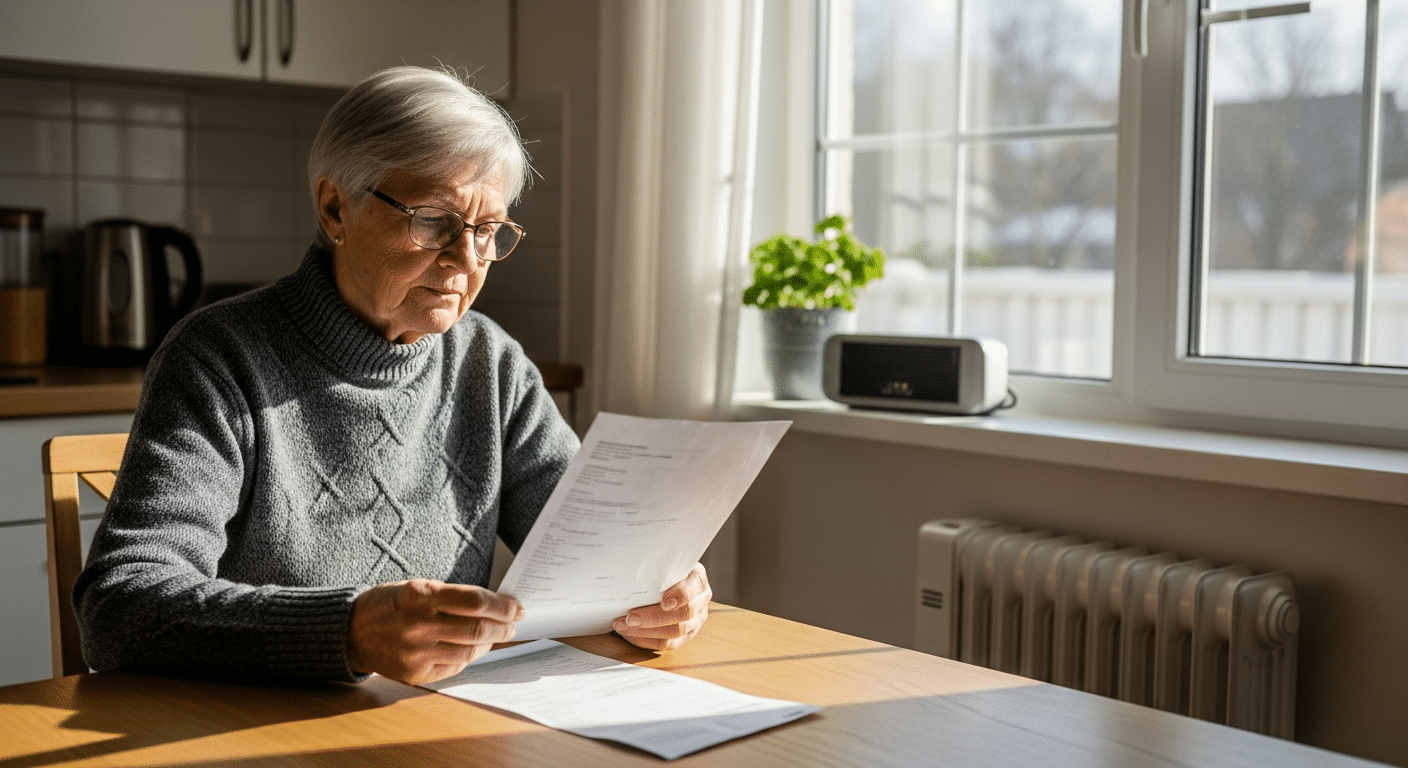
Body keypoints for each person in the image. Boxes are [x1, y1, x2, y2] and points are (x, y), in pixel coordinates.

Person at [73, 66, 710, 686]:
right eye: (433, 221)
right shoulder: (219, 357)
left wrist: (658, 590)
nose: (467, 258)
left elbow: (595, 555)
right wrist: (345, 631)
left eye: (487, 231)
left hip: (444, 732)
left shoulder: (490, 363)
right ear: (333, 209)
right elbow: (121, 608)